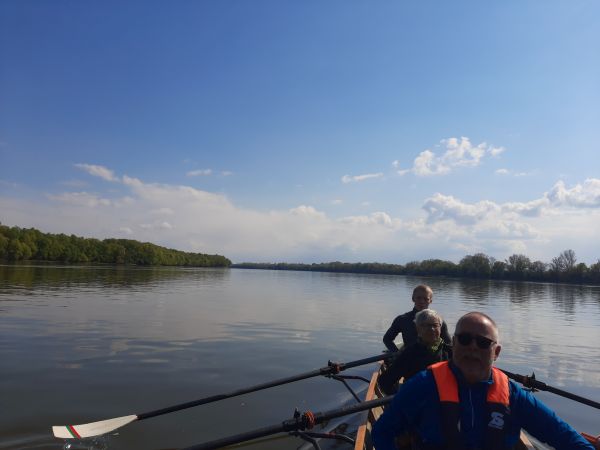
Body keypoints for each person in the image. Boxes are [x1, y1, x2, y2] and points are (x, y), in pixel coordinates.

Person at [372, 311, 594, 449]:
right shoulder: (422, 385)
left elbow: (562, 435)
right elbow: (382, 433)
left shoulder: (512, 395)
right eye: (465, 339)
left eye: (483, 343)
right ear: (454, 345)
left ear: (496, 352)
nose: (472, 348)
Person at [378, 309, 451, 395]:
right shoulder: (409, 354)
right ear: (418, 329)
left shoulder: (450, 352)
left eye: (435, 325)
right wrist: (401, 399)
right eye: (426, 326)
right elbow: (384, 382)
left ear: (440, 328)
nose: (431, 329)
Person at [383, 284, 451, 351]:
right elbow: (387, 339)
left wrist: (438, 354)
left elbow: (448, 344)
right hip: (409, 359)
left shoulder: (438, 321)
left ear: (430, 301)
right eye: (419, 298)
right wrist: (397, 354)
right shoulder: (402, 319)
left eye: (426, 299)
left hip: (433, 359)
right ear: (413, 299)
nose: (422, 301)